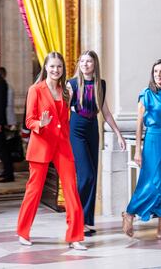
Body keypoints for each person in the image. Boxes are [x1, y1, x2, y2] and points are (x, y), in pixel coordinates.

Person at [16, 52, 86, 250]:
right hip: (41, 145)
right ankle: (23, 231)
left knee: (71, 190)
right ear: (45, 67)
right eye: (53, 66)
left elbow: (65, 121)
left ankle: (75, 236)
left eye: (60, 67)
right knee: (34, 190)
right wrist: (41, 123)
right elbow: (29, 121)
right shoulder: (35, 90)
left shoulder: (66, 91)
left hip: (62, 146)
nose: (56, 70)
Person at [67, 50, 126, 235]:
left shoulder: (101, 84)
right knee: (86, 175)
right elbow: (63, 109)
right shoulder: (72, 83)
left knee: (93, 174)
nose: (85, 64)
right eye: (82, 61)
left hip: (93, 129)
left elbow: (105, 112)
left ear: (95, 64)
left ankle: (86, 220)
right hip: (76, 129)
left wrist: (118, 134)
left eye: (89, 61)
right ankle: (76, 219)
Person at [122, 59, 161, 239]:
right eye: (155, 71)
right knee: (150, 181)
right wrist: (138, 150)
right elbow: (139, 124)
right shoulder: (146, 94)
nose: (158, 75)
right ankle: (130, 213)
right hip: (152, 140)